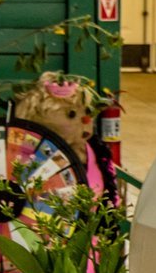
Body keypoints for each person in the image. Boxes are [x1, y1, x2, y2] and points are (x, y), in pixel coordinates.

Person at [13, 72, 119, 203]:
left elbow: (110, 196)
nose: (86, 119)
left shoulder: (96, 153)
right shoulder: (30, 157)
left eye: (87, 111)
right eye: (71, 114)